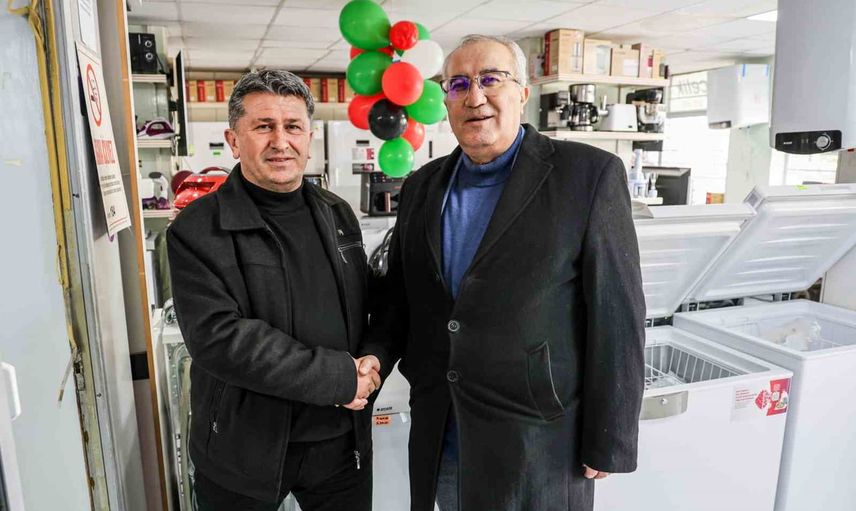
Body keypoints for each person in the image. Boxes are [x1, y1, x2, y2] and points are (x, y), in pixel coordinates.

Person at [361, 35, 647, 511]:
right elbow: (401, 296)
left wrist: (610, 436)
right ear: (445, 100)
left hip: (539, 440)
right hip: (443, 430)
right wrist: (375, 354)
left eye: (491, 79)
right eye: (458, 84)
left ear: (522, 93)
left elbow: (617, 313)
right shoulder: (421, 186)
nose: (475, 97)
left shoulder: (587, 175)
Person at [167, 69, 381, 511]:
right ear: (233, 140)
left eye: (293, 126)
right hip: (245, 450)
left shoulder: (337, 213)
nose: (281, 141)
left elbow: (369, 304)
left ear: (309, 138)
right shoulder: (197, 229)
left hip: (342, 445)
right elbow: (220, 338)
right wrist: (340, 378)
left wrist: (374, 359)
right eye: (264, 126)